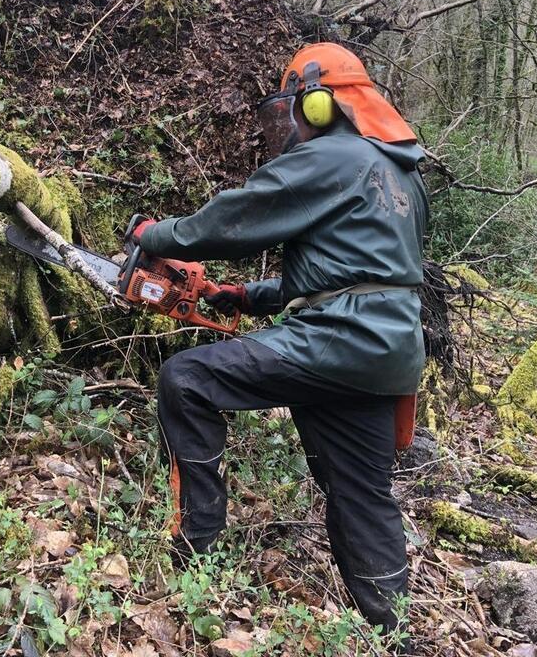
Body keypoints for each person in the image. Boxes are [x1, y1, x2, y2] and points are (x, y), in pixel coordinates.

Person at [130, 42, 427, 634]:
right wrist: (245, 296)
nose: (285, 126)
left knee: (186, 380)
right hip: (389, 353)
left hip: (335, 340)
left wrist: (154, 234)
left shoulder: (329, 158)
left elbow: (231, 220)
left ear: (320, 105)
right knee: (361, 492)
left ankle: (197, 543)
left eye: (289, 110)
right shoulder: (402, 176)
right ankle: (393, 630)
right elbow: (358, 272)